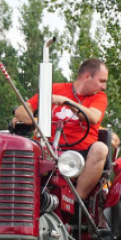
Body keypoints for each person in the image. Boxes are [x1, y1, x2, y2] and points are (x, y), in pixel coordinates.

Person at [13, 58, 109, 200]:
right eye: (102, 81)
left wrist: (66, 102)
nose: (104, 87)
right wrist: (34, 121)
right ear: (87, 76)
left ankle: (76, 201)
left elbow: (93, 117)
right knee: (18, 145)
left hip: (80, 154)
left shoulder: (99, 97)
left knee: (101, 148)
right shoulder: (55, 89)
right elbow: (21, 111)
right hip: (48, 148)